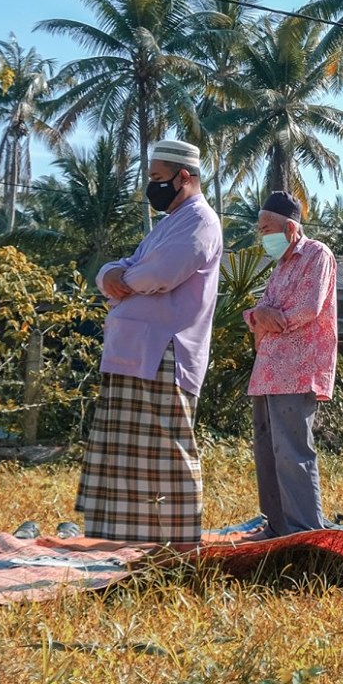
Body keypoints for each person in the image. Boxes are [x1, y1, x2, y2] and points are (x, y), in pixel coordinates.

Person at [78, 139, 223, 549]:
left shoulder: (201, 220)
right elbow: (124, 267)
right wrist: (111, 274)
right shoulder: (168, 223)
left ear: (184, 177)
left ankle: (178, 548)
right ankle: (119, 546)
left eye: (158, 179)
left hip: (165, 354)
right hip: (133, 352)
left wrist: (121, 280)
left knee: (167, 451)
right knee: (124, 457)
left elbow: (160, 272)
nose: (152, 188)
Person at [243, 190, 337, 539]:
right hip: (267, 370)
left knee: (293, 452)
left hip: (297, 369)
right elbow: (256, 314)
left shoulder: (317, 255)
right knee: (267, 452)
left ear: (291, 228)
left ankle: (304, 531)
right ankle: (277, 526)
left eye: (267, 228)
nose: (263, 236)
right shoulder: (280, 267)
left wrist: (265, 316)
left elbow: (307, 309)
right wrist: (260, 316)